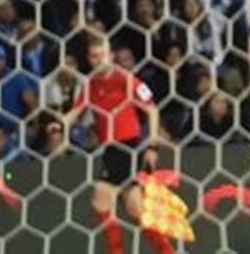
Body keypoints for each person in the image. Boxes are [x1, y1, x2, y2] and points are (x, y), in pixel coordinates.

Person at [59, 35, 169, 254]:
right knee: (135, 208)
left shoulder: (126, 79)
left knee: (100, 196)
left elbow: (151, 109)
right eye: (93, 56)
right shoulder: (91, 84)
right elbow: (76, 111)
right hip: (111, 149)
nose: (97, 60)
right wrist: (57, 123)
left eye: (101, 55)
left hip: (129, 146)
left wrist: (152, 145)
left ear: (110, 56)